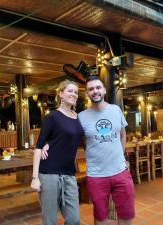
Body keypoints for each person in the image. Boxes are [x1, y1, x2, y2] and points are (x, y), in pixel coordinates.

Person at [78, 76, 135, 225]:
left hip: (120, 171)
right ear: (87, 93)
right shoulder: (81, 117)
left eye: (98, 87)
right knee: (100, 215)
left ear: (103, 90)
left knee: (126, 213)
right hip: (96, 175)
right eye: (91, 89)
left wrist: (122, 157)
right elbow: (69, 137)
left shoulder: (116, 110)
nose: (95, 91)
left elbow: (122, 135)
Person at [30, 80, 83, 225]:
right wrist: (35, 177)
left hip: (69, 174)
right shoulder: (52, 117)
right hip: (49, 174)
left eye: (76, 92)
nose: (74, 94)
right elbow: (39, 147)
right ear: (60, 94)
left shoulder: (78, 117)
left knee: (74, 219)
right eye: (70, 91)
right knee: (50, 221)